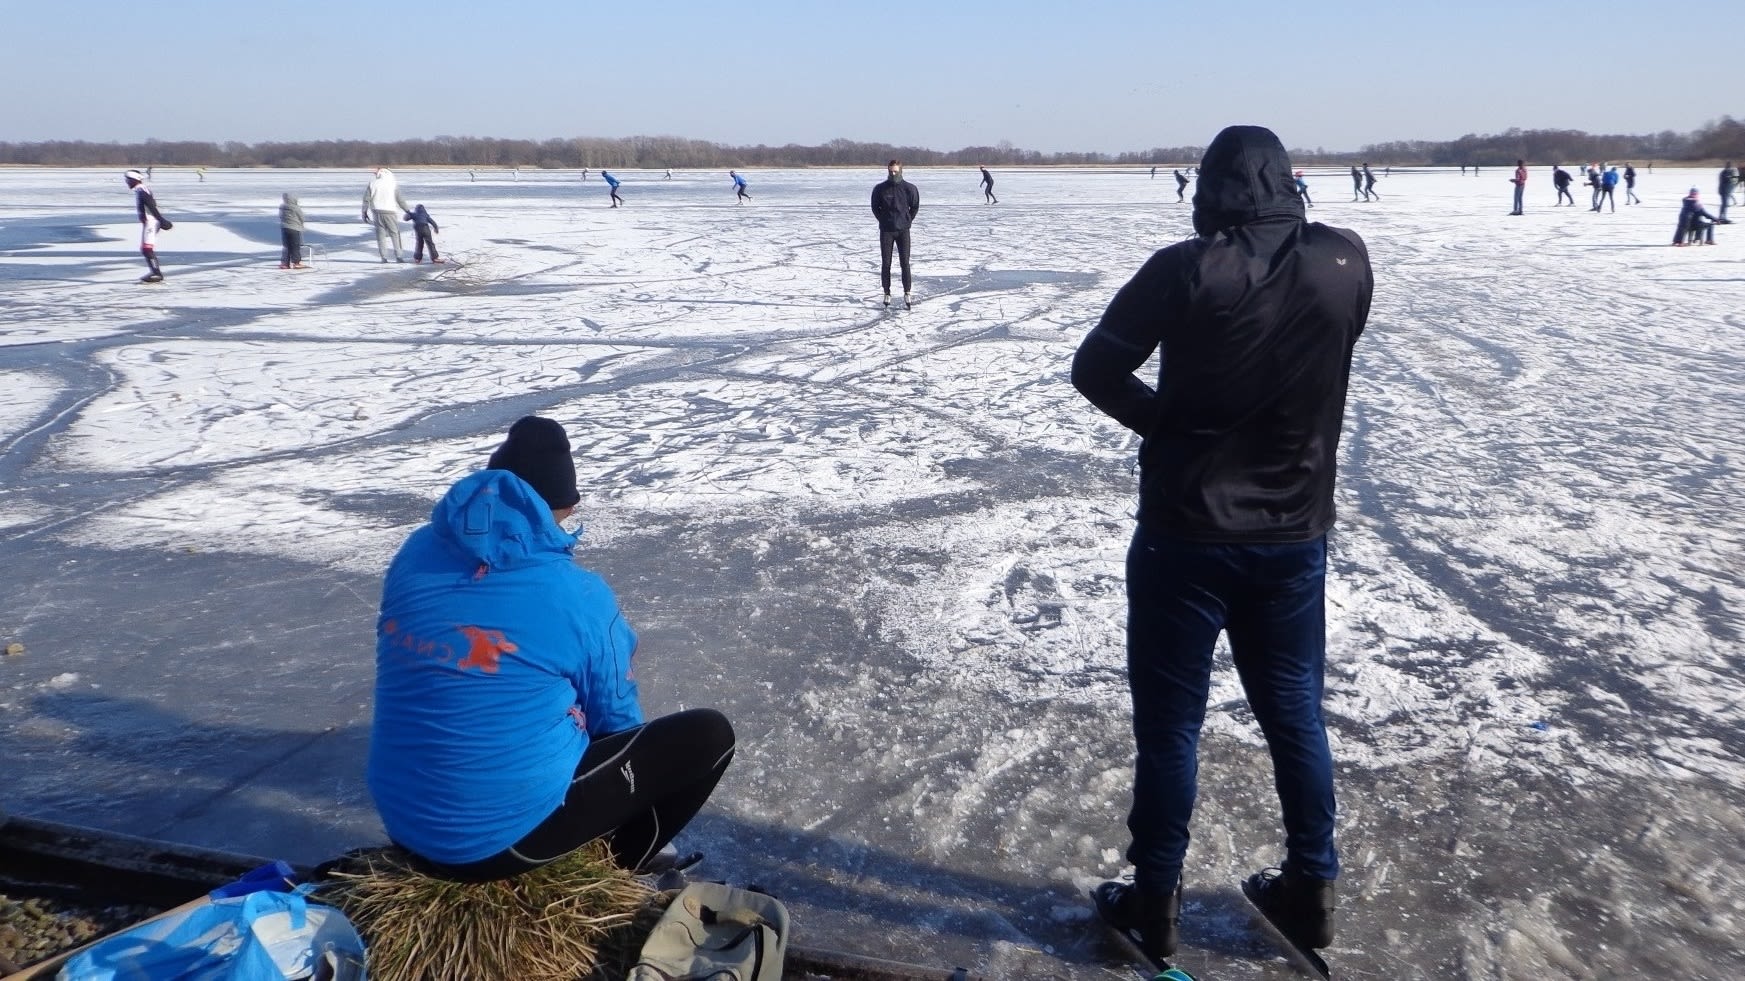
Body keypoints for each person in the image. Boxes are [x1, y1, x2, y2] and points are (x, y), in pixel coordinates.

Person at [1074, 124, 1370, 965]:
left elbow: (1093, 368)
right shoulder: (1344, 258)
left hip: (1185, 534)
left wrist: (1165, 427)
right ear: (1286, 181)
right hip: (1291, 534)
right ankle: (1311, 888)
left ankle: (1154, 900)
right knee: (1294, 713)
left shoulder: (1185, 267)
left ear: (1209, 187)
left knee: (1171, 728)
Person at [368, 415, 736, 882]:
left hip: (403, 819)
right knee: (709, 736)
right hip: (489, 848)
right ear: (567, 505)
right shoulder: (575, 594)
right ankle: (616, 867)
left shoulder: (416, 552)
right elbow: (615, 720)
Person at [870, 159, 920, 309]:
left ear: (900, 171)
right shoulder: (880, 189)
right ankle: (887, 292)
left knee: (905, 262)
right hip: (886, 230)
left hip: (903, 230)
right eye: (890, 171)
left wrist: (907, 221)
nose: (892, 174)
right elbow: (875, 208)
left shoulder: (909, 188)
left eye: (895, 171)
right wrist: (884, 220)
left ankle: (907, 292)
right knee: (886, 263)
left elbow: (915, 207)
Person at [123, 169, 173, 283]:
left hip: (152, 222)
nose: (126, 182)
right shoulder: (140, 190)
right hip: (150, 221)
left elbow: (151, 205)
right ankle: (155, 272)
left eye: (128, 180)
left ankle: (156, 273)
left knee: (147, 249)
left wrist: (161, 220)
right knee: (146, 249)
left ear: (134, 180)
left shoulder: (141, 190)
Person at [362, 166, 411, 263]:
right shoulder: (392, 184)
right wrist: (408, 211)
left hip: (376, 211)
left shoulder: (373, 183)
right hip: (390, 212)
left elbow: (366, 199)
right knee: (395, 234)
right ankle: (399, 256)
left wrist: (364, 212)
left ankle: (383, 258)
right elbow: (400, 200)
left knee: (381, 236)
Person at [278, 193, 305, 269]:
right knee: (295, 246)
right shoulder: (296, 208)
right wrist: (301, 224)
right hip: (294, 228)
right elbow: (302, 217)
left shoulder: (282, 207)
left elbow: (280, 216)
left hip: (284, 228)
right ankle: (296, 263)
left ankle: (285, 263)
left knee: (286, 246)